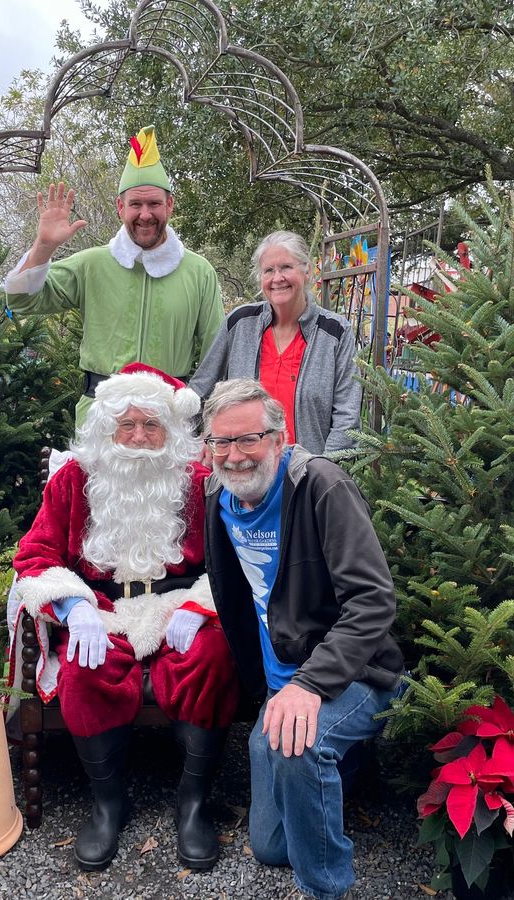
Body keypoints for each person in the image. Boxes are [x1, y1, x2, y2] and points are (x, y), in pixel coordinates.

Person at [10, 363, 238, 872]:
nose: (137, 437)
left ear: (169, 430)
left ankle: (193, 803)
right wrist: (73, 607)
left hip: (177, 606)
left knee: (214, 655)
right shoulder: (74, 480)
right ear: (106, 429)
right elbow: (36, 555)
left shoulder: (199, 482)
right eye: (126, 425)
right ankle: (108, 803)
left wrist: (203, 604)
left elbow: (236, 558)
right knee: (82, 665)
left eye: (150, 425)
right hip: (103, 610)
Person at [200, 379, 405, 900]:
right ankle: (337, 772)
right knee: (271, 847)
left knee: (299, 744)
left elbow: (374, 601)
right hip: (282, 680)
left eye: (249, 439)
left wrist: (310, 686)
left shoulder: (321, 486)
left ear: (279, 437)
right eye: (221, 442)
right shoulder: (217, 498)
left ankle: (326, 888)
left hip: (355, 673)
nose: (235, 455)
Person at [4, 126, 225, 425]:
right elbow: (21, 301)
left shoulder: (199, 273)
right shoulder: (90, 264)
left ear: (169, 205)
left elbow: (217, 354)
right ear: (120, 207)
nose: (145, 214)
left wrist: (200, 418)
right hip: (100, 422)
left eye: (154, 204)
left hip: (169, 424)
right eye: (135, 204)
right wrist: (43, 247)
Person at [190, 230, 361, 454]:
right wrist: (191, 441)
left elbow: (346, 417)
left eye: (286, 267)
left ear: (307, 271)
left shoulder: (335, 332)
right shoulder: (240, 323)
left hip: (306, 473)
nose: (277, 278)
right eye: (268, 270)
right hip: (242, 467)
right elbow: (201, 389)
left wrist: (323, 473)